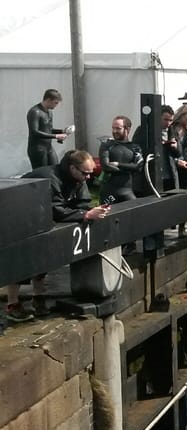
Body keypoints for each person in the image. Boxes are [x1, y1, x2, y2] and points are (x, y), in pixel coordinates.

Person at [6, 150, 111, 322]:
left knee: (41, 258)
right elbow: (55, 208)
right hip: (20, 215)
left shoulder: (78, 178)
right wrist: (84, 215)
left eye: (90, 173)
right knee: (20, 260)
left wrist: (91, 211)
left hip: (40, 218)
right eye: (85, 173)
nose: (88, 177)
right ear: (72, 168)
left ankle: (38, 297)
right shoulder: (51, 179)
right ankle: (13, 304)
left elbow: (82, 202)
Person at [98, 115, 143, 204]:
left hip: (127, 192)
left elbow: (139, 167)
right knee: (105, 216)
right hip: (109, 192)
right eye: (113, 128)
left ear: (128, 129)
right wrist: (129, 168)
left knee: (135, 215)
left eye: (118, 128)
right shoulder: (107, 144)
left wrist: (118, 164)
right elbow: (106, 166)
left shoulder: (135, 147)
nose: (114, 131)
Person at [26, 88, 68, 169]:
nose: (56, 105)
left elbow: (48, 129)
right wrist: (56, 136)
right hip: (37, 149)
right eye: (55, 103)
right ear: (48, 100)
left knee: (55, 169)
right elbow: (34, 131)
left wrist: (62, 131)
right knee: (42, 174)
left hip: (48, 147)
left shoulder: (49, 112)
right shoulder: (35, 111)